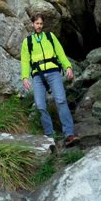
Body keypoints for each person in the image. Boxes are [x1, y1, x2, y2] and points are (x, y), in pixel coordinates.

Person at [20, 13, 79, 147]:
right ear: (32, 24)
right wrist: (24, 77)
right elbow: (24, 62)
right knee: (40, 105)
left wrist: (68, 66)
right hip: (37, 75)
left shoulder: (50, 37)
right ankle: (49, 135)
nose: (39, 26)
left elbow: (60, 53)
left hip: (53, 72)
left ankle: (69, 134)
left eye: (41, 23)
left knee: (61, 100)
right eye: (37, 23)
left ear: (43, 24)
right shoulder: (27, 42)